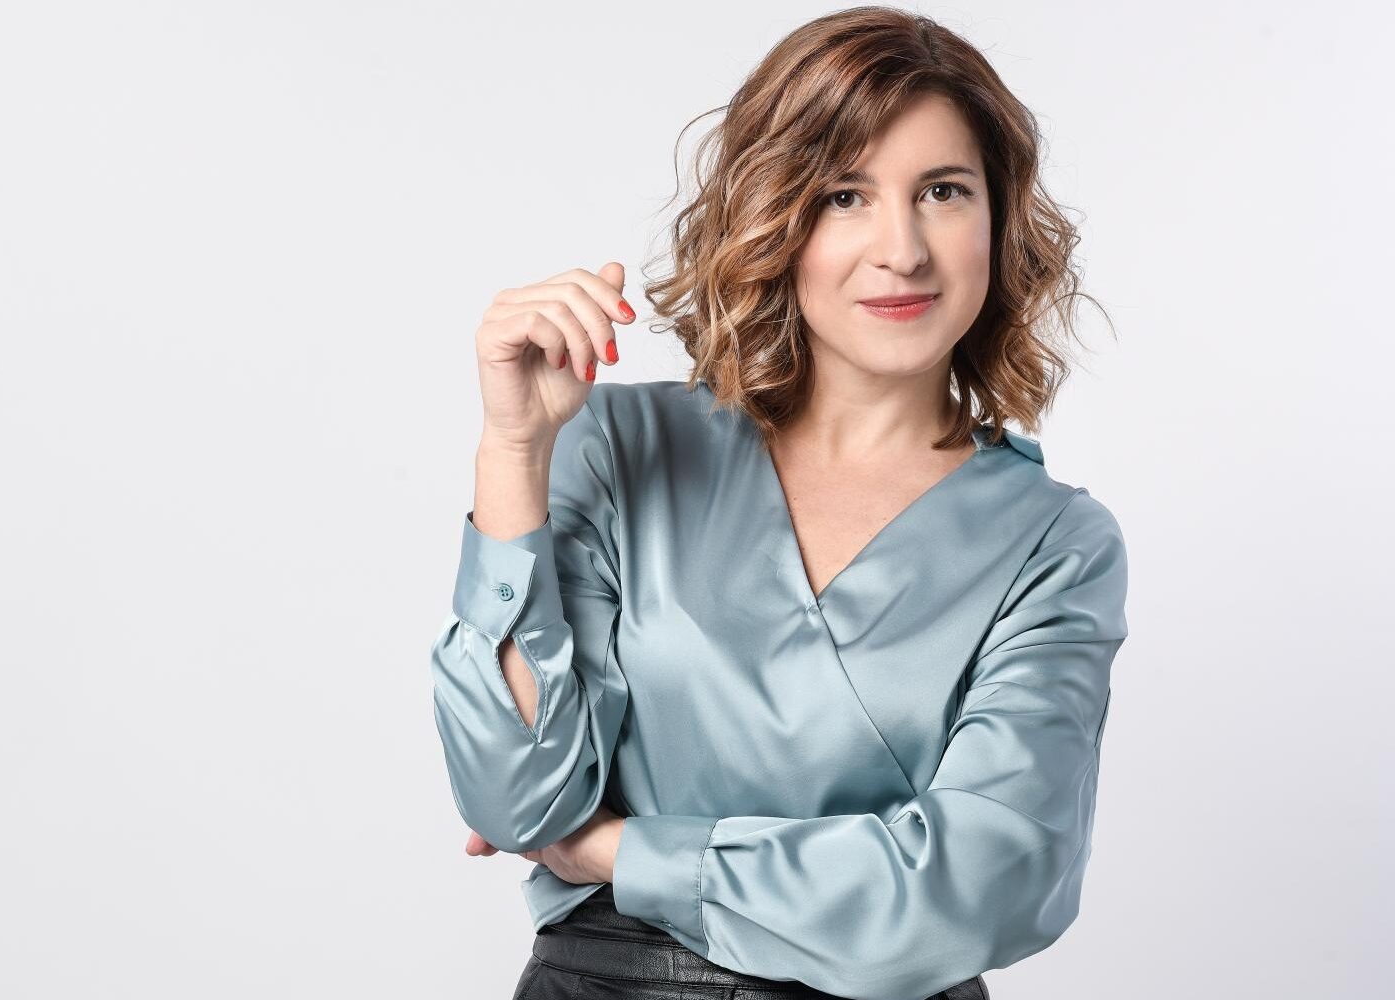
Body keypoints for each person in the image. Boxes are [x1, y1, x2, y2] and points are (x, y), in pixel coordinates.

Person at [427, 8, 1128, 1000]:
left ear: (998, 218)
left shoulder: (1053, 542)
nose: (901, 249)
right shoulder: (620, 447)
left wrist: (623, 852)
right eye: (845, 195)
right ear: (777, 216)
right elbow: (514, 797)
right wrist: (512, 450)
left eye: (942, 191)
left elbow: (975, 888)